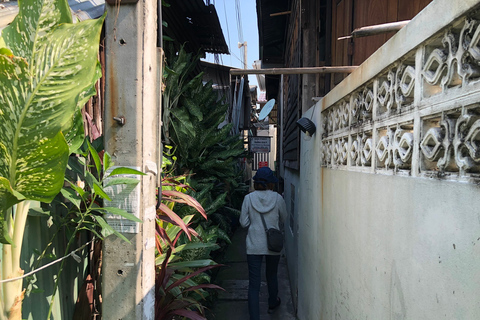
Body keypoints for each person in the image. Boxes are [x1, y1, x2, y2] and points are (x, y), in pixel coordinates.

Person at [239, 167, 288, 320]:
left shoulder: (248, 198)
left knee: (254, 285)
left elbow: (243, 223)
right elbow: (284, 219)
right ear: (271, 184)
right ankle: (272, 302)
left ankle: (255, 317)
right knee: (271, 275)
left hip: (254, 245)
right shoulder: (278, 198)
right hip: (272, 244)